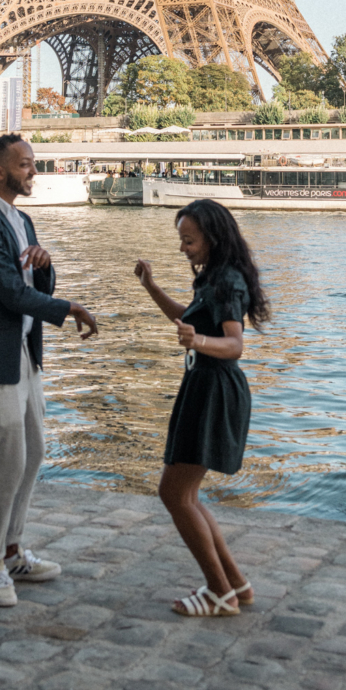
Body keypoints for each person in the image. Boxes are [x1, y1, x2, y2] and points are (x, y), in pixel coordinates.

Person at [0, 133, 98, 608]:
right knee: (8, 458)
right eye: (26, 164)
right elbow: (10, 294)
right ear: (0, 171)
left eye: (33, 163)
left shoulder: (24, 220)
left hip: (23, 350)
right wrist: (69, 306)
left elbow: (32, 281)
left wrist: (47, 263)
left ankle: (13, 549)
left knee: (33, 451)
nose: (33, 171)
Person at [134, 197, 270, 618]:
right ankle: (235, 585)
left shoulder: (227, 281)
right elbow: (187, 319)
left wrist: (199, 343)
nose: (183, 249)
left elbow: (234, 345)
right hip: (203, 386)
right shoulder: (211, 277)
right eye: (182, 240)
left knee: (173, 492)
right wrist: (151, 287)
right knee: (187, 493)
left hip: (215, 389)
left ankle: (218, 593)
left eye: (189, 240)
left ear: (212, 237)